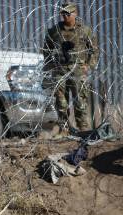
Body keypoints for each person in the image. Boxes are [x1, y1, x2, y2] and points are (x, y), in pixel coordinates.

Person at [42, 2, 99, 136]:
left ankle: (82, 128)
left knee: (80, 100)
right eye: (63, 13)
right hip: (60, 69)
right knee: (61, 101)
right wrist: (51, 64)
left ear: (75, 13)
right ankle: (64, 128)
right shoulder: (54, 31)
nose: (65, 16)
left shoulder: (84, 30)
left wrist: (88, 65)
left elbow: (94, 50)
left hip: (78, 70)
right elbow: (46, 49)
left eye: (68, 13)